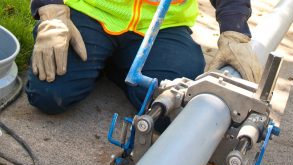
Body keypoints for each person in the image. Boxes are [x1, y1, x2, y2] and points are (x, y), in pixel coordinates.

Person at [27, 0, 262, 114]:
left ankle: (108, 64)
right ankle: (104, 60)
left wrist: (234, 32)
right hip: (90, 12)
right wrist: (51, 11)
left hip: (161, 27)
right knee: (50, 95)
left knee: (166, 106)